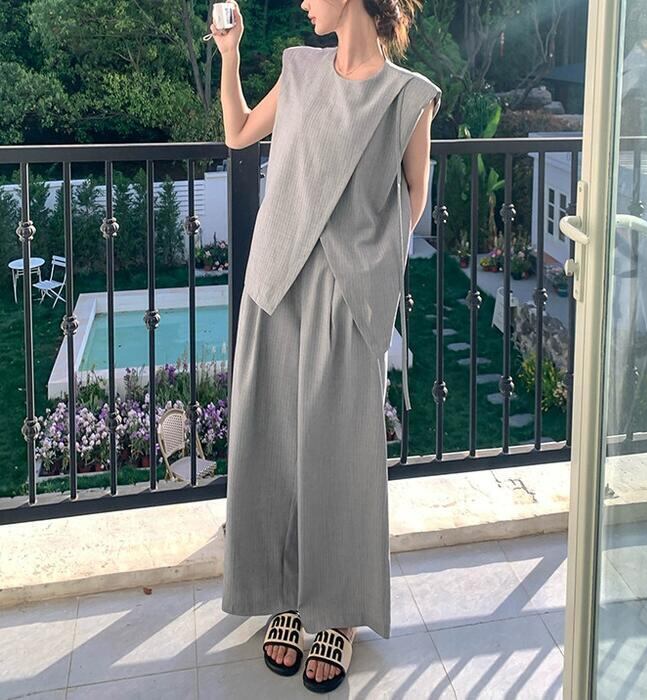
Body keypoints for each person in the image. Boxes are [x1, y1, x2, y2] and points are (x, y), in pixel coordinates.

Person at [211, 0, 441, 693]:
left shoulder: (408, 97)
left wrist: (365, 265)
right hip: (278, 286)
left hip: (348, 297)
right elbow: (239, 132)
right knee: (275, 444)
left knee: (342, 456)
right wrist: (229, 55)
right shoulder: (301, 70)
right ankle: (284, 595)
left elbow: (414, 199)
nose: (305, 2)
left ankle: (337, 613)